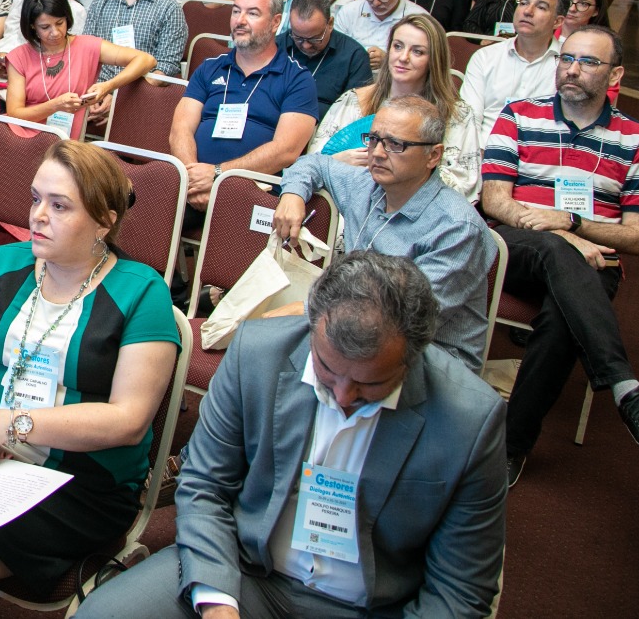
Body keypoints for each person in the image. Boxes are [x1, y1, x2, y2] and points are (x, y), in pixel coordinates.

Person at [75, 251, 506, 619]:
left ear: (414, 358)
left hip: (371, 606)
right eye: (328, 372)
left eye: (370, 386)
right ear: (311, 324)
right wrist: (219, 602)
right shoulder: (258, 354)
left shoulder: (468, 419)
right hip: (247, 573)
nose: (342, 397)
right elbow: (205, 486)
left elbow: (460, 590)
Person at [0, 138, 182, 614]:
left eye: (59, 206)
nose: (38, 215)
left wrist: (11, 425)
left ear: (104, 221)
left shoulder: (142, 293)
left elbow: (130, 420)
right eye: (36, 198)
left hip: (75, 480)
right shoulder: (5, 263)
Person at [482, 25, 639, 485]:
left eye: (588, 62)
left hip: (593, 259)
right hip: (518, 248)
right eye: (566, 59)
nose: (572, 69)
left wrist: (572, 224)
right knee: (553, 249)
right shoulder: (518, 115)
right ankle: (626, 387)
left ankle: (512, 446)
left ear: (616, 74)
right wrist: (566, 235)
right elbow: (496, 202)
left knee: (560, 321)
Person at [281, 95, 492, 367]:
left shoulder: (457, 227)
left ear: (433, 156)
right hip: (355, 330)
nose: (377, 153)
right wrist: (293, 195)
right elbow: (315, 164)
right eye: (373, 139)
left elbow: (402, 318)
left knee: (287, 356)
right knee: (266, 348)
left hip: (428, 357)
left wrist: (308, 311)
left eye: (395, 144)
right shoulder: (366, 185)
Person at [170, 0, 318, 218]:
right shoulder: (210, 68)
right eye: (236, 11)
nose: (240, 20)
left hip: (254, 191)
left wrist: (218, 175)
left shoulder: (298, 79)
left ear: (275, 22)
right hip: (193, 185)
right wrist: (193, 180)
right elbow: (180, 130)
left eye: (252, 13)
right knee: (142, 214)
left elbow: (286, 150)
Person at [311, 13, 480, 198]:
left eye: (418, 51)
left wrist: (401, 171)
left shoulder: (457, 114)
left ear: (434, 59)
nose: (403, 57)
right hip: (346, 201)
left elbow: (463, 185)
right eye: (397, 46)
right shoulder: (355, 101)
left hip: (422, 213)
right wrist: (337, 161)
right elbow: (313, 164)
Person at [6, 0, 156, 138]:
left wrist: (108, 86)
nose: (55, 32)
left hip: (64, 142)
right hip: (21, 137)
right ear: (32, 27)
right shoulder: (19, 56)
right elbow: (15, 114)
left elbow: (146, 60)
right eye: (45, 27)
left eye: (59, 23)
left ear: (67, 18)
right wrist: (55, 105)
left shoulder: (87, 46)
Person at [459, 0, 566, 140]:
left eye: (541, 7)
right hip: (484, 151)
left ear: (557, 21)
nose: (527, 11)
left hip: (539, 156)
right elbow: (468, 119)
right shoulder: (486, 57)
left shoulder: (568, 65)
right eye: (523, 3)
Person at [278, 0, 373, 119]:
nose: (306, 45)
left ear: (330, 24)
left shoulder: (354, 56)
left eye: (315, 39)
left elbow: (355, 113)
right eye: (298, 37)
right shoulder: (276, 46)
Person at [338, 0, 422, 72]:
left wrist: (389, 60)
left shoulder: (419, 18)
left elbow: (425, 65)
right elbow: (335, 52)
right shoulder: (349, 11)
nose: (376, 3)